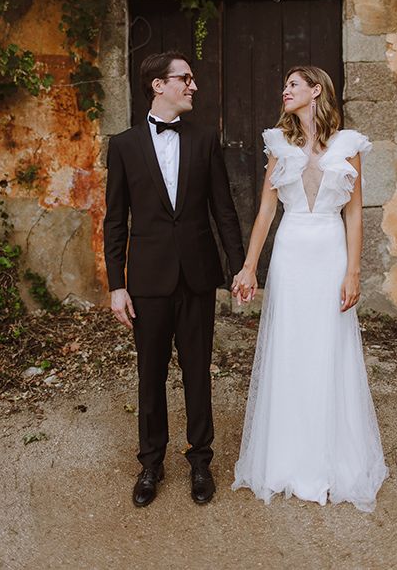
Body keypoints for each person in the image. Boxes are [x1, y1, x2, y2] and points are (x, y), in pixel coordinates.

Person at [231, 65, 388, 512]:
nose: (285, 91)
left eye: (293, 85)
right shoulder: (279, 146)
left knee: (328, 347)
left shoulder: (348, 146)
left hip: (330, 253)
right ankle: (285, 457)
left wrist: (353, 271)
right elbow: (265, 211)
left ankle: (332, 457)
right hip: (291, 253)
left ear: (316, 91)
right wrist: (249, 268)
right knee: (290, 346)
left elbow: (354, 214)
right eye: (284, 85)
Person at [104, 50, 244, 507]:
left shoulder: (205, 139)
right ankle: (151, 464)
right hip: (147, 279)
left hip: (197, 276)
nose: (193, 86)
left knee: (198, 371)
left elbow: (223, 210)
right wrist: (116, 285)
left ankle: (200, 461)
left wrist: (240, 267)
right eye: (184, 78)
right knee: (150, 375)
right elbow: (115, 220)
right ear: (157, 85)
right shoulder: (123, 145)